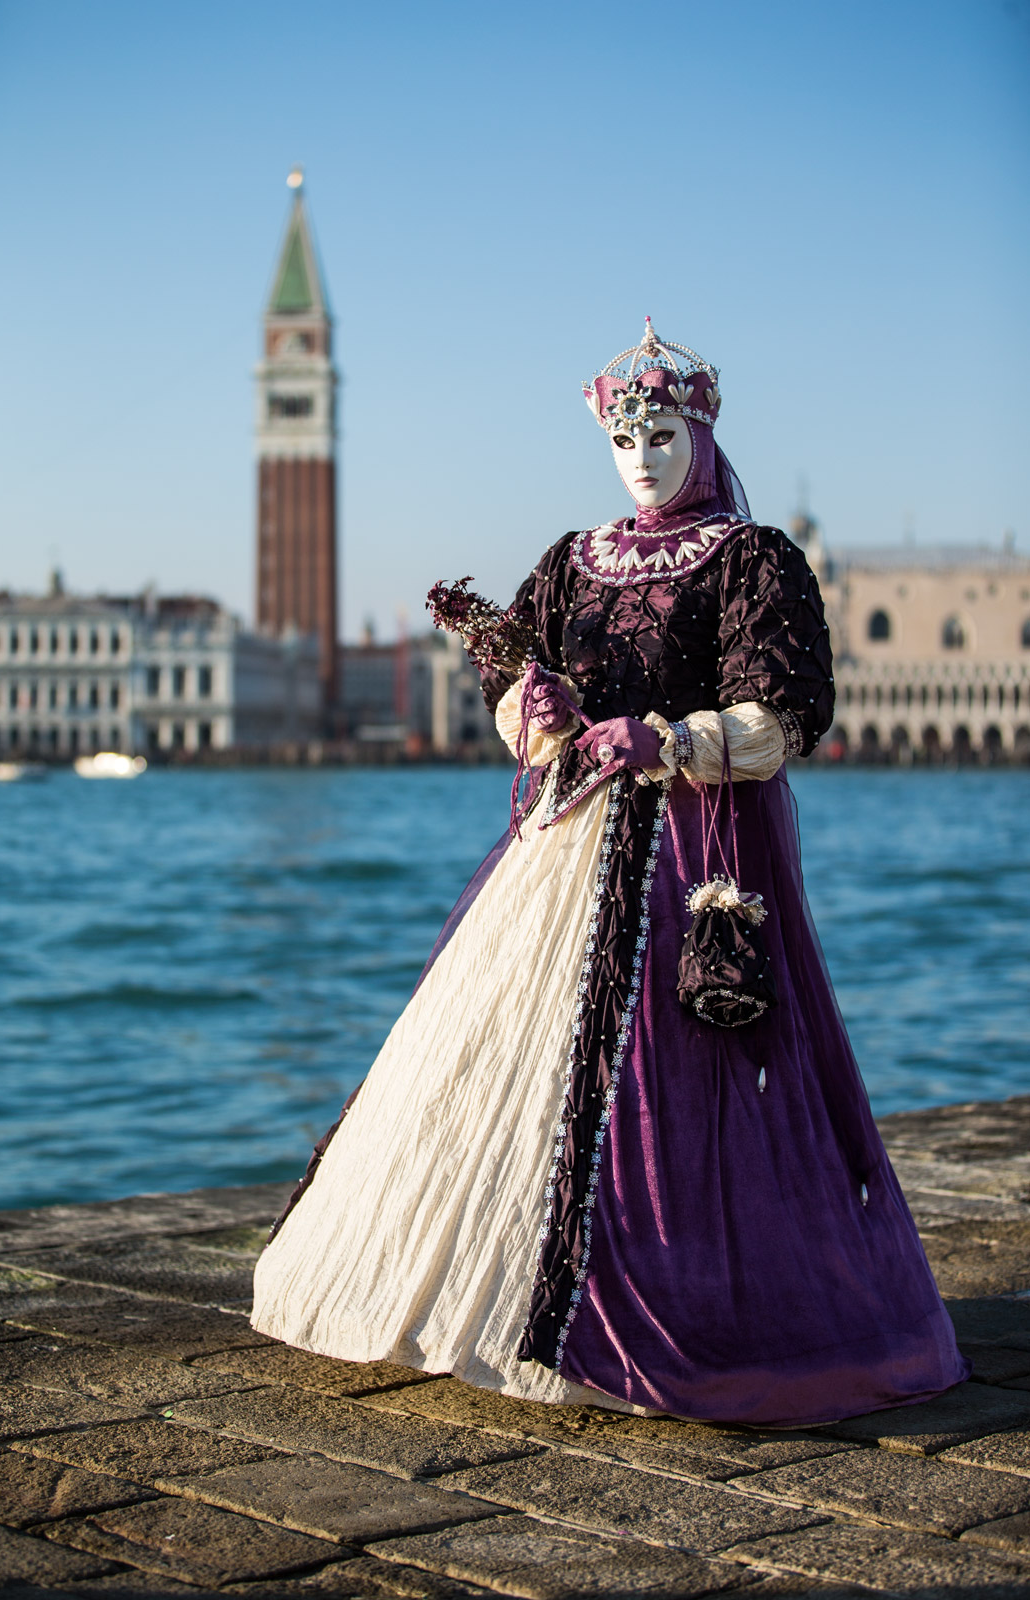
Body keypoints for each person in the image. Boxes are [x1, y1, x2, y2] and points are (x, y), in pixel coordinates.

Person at [251, 320, 968, 1425]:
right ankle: (485, 1294)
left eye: (660, 431)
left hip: (692, 864)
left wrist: (671, 740)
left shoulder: (752, 562)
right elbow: (520, 700)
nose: (639, 453)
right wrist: (527, 713)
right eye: (623, 434)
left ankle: (688, 1306)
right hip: (562, 860)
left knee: (681, 1085)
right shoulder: (569, 560)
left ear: (701, 434)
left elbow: (779, 720)